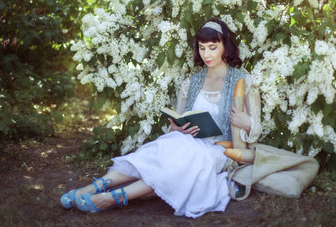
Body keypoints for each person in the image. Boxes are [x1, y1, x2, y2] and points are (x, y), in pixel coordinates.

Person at [60, 18, 262, 218]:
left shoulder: (243, 81)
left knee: (180, 162)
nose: (206, 54)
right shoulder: (191, 83)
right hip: (186, 141)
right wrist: (175, 129)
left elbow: (257, 129)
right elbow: (179, 118)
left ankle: (111, 198)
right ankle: (92, 187)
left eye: (212, 47)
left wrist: (247, 123)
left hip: (218, 150)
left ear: (225, 46)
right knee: (160, 151)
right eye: (202, 48)